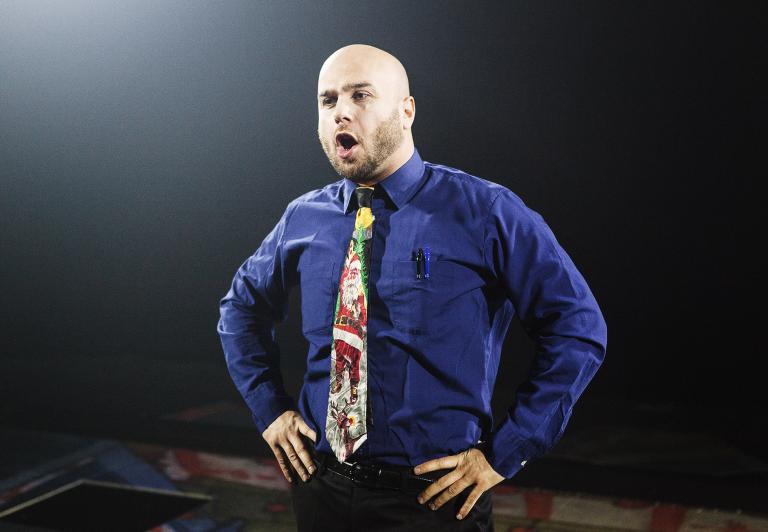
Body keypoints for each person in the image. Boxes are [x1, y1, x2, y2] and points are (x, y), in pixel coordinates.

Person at [217, 43, 607, 531]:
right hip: (321, 491)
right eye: (328, 100)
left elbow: (577, 328)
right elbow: (240, 309)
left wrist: (506, 452)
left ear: (407, 111)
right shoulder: (304, 217)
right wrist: (270, 410)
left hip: (434, 504)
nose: (341, 112)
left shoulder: (485, 211)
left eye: (360, 95)